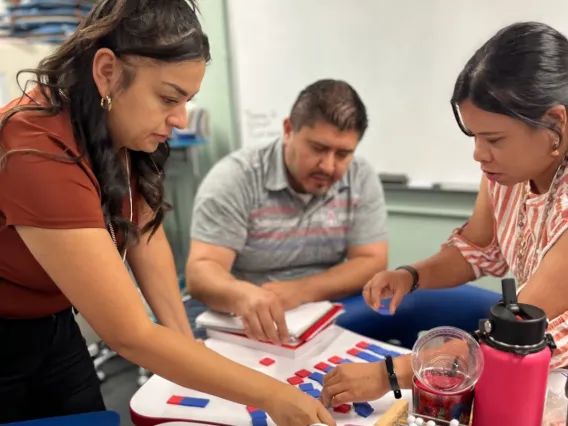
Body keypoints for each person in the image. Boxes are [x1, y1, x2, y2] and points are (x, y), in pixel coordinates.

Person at [0, 1, 335, 425]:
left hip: (52, 324)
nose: (179, 119)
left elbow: (144, 229)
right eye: (168, 98)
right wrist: (272, 395)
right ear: (106, 72)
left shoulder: (119, 125)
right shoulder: (34, 148)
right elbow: (129, 334)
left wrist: (186, 347)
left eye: (187, 100)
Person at [320, 21, 568, 408]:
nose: (479, 154)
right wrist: (411, 275)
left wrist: (389, 374)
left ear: (554, 124)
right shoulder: (506, 174)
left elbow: (518, 331)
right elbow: (476, 250)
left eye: (495, 139)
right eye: (475, 137)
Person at [186, 79, 389, 342]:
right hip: (243, 314)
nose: (328, 166)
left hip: (320, 311)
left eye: (343, 154)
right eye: (318, 148)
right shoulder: (236, 178)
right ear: (288, 130)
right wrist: (242, 295)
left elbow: (372, 261)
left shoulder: (360, 177)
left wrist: (303, 290)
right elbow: (202, 270)